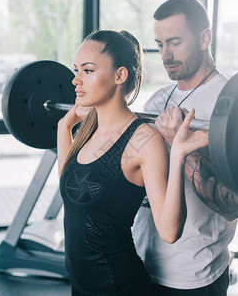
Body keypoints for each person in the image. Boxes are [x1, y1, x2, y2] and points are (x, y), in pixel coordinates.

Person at [57, 29, 208, 296]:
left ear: (120, 75)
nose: (75, 80)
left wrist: (179, 152)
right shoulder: (89, 129)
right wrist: (64, 126)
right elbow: (71, 194)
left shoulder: (143, 140)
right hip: (81, 287)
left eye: (87, 71)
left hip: (119, 287)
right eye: (75, 70)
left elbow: (169, 231)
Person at [132, 0, 238, 296]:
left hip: (194, 276)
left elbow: (233, 206)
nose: (165, 54)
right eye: (159, 44)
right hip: (141, 263)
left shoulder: (231, 103)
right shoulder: (157, 101)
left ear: (204, 38)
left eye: (174, 42)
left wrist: (176, 141)